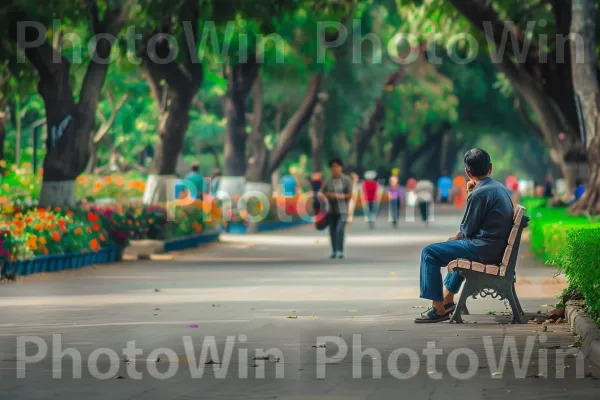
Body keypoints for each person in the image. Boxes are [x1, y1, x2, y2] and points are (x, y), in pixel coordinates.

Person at [415, 148, 513, 323]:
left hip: (482, 250)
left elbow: (467, 230)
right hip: (494, 248)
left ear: (467, 172)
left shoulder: (479, 193)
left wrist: (469, 196)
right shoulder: (499, 188)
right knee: (456, 246)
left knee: (429, 253)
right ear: (490, 168)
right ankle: (447, 301)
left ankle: (438, 309)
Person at [320, 158, 353, 259]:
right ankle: (334, 250)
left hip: (342, 209)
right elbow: (321, 193)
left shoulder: (346, 180)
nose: (335, 169)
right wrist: (328, 195)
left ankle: (340, 250)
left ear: (341, 167)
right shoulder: (328, 181)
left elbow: (350, 195)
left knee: (339, 229)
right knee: (332, 230)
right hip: (330, 210)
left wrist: (338, 196)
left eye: (337, 166)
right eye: (333, 167)